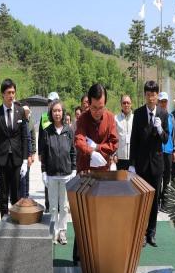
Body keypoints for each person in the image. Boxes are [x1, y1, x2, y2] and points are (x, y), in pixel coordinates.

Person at [73, 83, 118, 263]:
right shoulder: (83, 119)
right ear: (87, 103)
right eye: (93, 108)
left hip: (103, 173)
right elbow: (78, 140)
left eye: (101, 107)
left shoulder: (110, 118)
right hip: (85, 171)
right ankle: (78, 255)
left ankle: (99, 254)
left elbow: (114, 143)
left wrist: (98, 148)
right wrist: (91, 152)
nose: (97, 112)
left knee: (101, 215)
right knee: (82, 213)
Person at [129, 81, 169, 247]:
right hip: (141, 165)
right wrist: (131, 164)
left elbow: (166, 139)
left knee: (154, 200)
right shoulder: (138, 114)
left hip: (157, 165)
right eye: (148, 94)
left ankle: (151, 233)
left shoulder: (163, 114)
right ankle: (141, 233)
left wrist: (160, 130)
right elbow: (134, 140)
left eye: (154, 95)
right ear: (145, 95)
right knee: (142, 200)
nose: (151, 98)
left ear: (157, 96)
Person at [0, 79, 28, 218]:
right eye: (8, 93)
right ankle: (3, 224)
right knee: (4, 195)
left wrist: (25, 160)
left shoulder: (20, 111)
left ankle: (15, 222)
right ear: (3, 94)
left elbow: (24, 137)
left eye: (13, 92)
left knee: (16, 194)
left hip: (17, 159)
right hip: (2, 159)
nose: (11, 95)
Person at [41, 100, 76, 244]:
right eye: (54, 111)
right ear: (51, 113)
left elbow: (73, 152)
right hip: (51, 174)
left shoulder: (69, 131)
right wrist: (43, 171)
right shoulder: (47, 131)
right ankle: (54, 232)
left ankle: (62, 232)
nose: (57, 113)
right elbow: (44, 153)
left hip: (66, 174)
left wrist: (74, 169)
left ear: (63, 113)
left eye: (59, 111)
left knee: (65, 206)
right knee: (53, 206)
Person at [38, 91, 59, 212]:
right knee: (47, 179)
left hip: (58, 152)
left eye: (53, 102)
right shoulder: (44, 117)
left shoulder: (61, 115)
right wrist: (40, 152)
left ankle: (58, 205)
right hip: (46, 153)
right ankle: (48, 205)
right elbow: (41, 135)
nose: (51, 104)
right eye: (49, 102)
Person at [158, 92, 175, 211]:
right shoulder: (156, 115)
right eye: (161, 101)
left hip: (169, 150)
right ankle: (157, 200)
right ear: (158, 102)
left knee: (167, 177)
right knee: (158, 177)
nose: (163, 103)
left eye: (165, 101)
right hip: (158, 151)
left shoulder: (171, 117)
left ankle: (164, 202)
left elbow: (174, 135)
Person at [18, 104, 36, 199]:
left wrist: (32, 153)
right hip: (18, 155)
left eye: (27, 111)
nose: (25, 113)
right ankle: (20, 197)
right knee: (20, 177)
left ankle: (26, 195)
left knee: (26, 176)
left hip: (27, 154)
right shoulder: (18, 122)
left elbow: (32, 139)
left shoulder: (30, 122)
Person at [115, 94, 133, 170]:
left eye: (128, 103)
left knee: (132, 181)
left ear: (131, 104)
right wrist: (114, 154)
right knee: (120, 181)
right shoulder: (115, 119)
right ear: (121, 104)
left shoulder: (135, 119)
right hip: (120, 158)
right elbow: (113, 138)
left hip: (132, 158)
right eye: (124, 103)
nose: (126, 105)